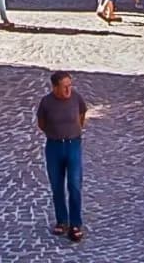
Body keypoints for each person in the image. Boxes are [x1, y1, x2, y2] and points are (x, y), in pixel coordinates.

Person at [36, 70, 88, 244]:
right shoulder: (46, 102)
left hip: (73, 144)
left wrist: (76, 131)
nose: (68, 90)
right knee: (57, 185)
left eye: (70, 85)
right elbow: (41, 123)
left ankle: (75, 223)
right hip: (54, 146)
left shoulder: (76, 98)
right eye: (64, 87)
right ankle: (62, 220)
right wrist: (54, 134)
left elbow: (82, 114)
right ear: (55, 87)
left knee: (74, 184)